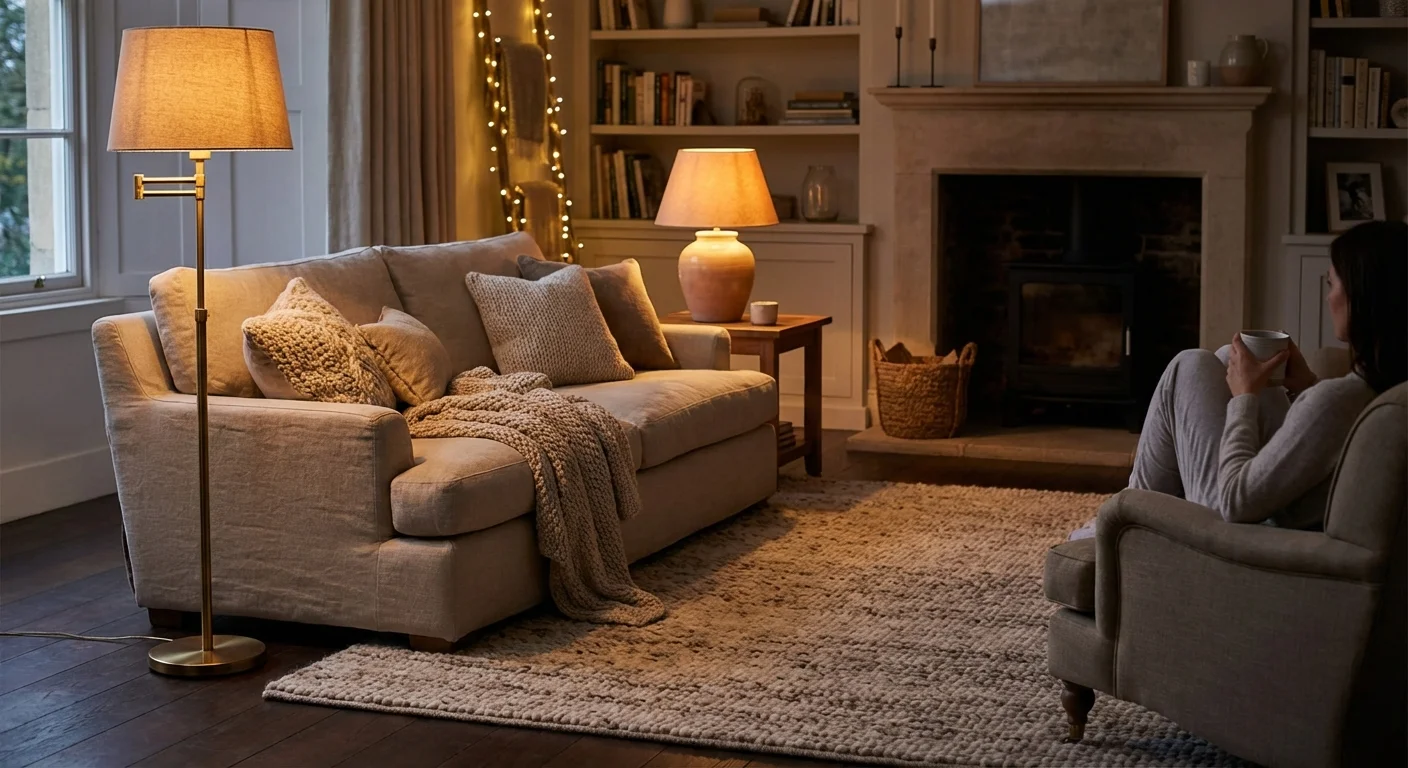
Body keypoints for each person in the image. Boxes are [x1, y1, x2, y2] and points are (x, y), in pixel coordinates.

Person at [1071, 219, 1407, 539]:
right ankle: (1127, 515)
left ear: (1362, 297)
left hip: (1247, 535)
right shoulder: (1382, 388)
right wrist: (1307, 386)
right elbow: (1336, 428)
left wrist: (1244, 398)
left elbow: (1234, 502)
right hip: (1281, 512)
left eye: (1332, 284)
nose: (1328, 297)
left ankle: (1122, 523)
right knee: (1223, 359)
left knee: (1189, 365)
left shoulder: (1335, 401)